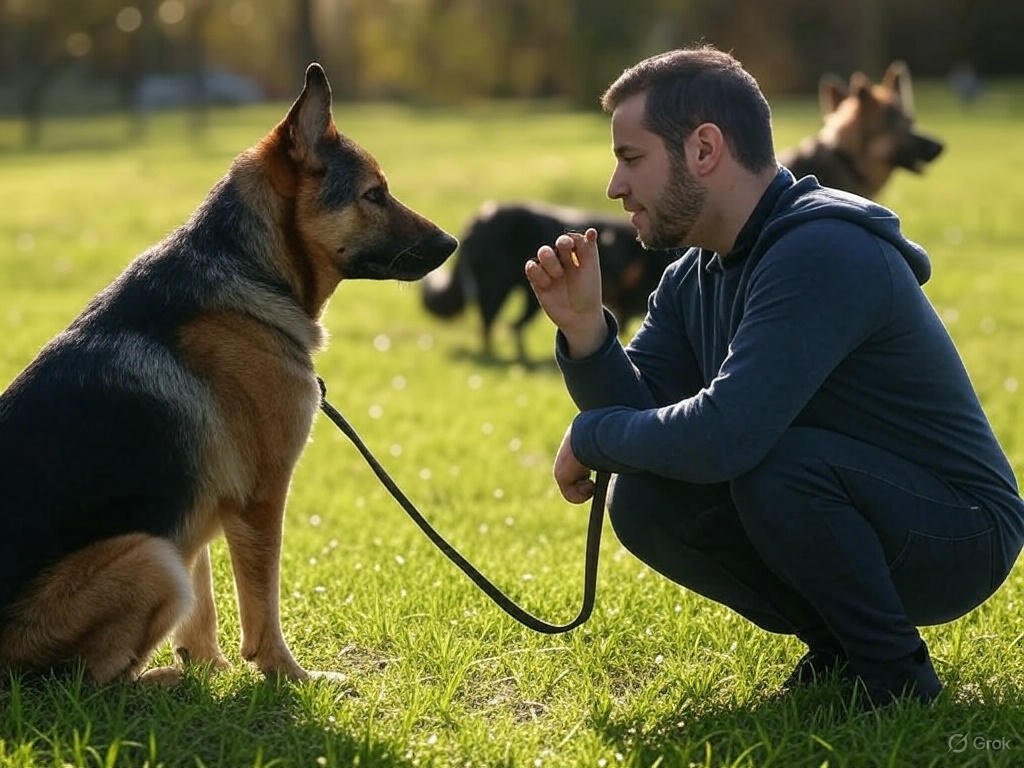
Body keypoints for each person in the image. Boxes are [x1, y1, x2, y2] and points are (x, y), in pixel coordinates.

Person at [524, 45, 1024, 706]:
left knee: (774, 464)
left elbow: (727, 435)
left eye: (630, 158)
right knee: (645, 500)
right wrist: (587, 332)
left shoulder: (822, 249)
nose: (616, 188)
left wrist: (593, 435)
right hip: (847, 499)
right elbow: (640, 421)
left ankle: (895, 677)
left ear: (704, 149)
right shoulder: (691, 275)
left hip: (958, 532)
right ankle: (841, 648)